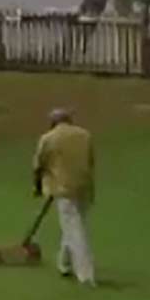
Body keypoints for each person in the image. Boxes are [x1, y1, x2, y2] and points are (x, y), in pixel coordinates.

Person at [34, 108, 97, 287]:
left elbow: (39, 165)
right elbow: (91, 162)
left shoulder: (48, 138)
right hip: (85, 188)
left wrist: (38, 187)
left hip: (63, 190)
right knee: (75, 225)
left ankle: (85, 275)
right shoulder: (85, 135)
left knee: (75, 230)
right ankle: (64, 263)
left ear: (53, 122)